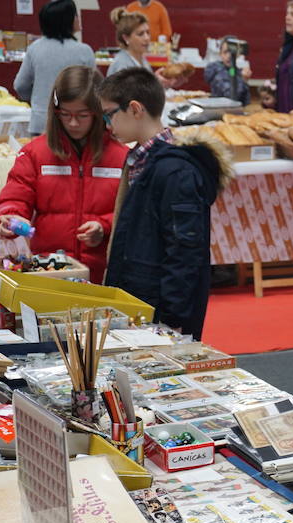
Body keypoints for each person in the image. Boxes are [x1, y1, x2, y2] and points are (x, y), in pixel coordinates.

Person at [99, 68, 231, 340]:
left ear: (135, 109)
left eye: (109, 114)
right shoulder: (141, 160)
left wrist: (173, 319)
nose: (107, 124)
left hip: (162, 310)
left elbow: (185, 252)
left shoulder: (174, 171)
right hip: (142, 299)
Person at [0, 66, 127, 285]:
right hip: (50, 271)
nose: (73, 123)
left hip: (103, 274)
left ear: (99, 112)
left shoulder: (121, 156)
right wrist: (10, 216)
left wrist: (104, 226)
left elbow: (132, 213)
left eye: (82, 115)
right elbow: (15, 197)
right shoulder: (34, 153)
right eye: (65, 114)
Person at [13, 0, 95, 136]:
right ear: (67, 20)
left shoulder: (35, 48)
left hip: (40, 121)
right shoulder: (84, 51)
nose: (78, 19)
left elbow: (20, 85)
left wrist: (36, 99)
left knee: (41, 157)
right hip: (75, 124)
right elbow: (94, 88)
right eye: (75, 15)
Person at [108, 8, 184, 88]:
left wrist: (161, 82)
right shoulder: (122, 64)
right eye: (140, 34)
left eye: (148, 33)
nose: (147, 38)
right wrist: (155, 82)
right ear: (126, 38)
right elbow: (129, 96)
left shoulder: (142, 60)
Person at [205, 37, 252, 105]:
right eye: (225, 52)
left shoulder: (234, 70)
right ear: (220, 53)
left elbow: (246, 102)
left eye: (233, 52)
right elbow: (230, 97)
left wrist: (245, 81)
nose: (229, 56)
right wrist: (243, 81)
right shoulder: (214, 69)